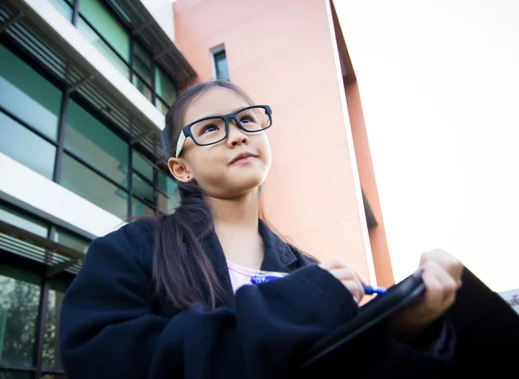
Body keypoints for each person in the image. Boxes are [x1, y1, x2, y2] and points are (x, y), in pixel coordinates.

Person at [59, 81, 464, 378]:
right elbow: (101, 359)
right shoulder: (130, 249)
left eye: (247, 121)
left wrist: (403, 327)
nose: (237, 135)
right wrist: (290, 306)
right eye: (211, 129)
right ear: (181, 168)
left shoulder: (307, 271)